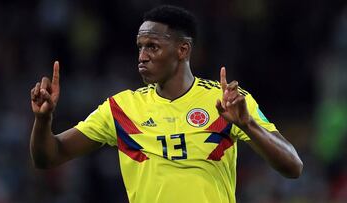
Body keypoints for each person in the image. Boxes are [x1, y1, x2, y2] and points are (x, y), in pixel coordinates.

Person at [30, 5, 303, 203]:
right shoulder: (121, 109)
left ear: (183, 50)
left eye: (153, 46)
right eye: (140, 46)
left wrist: (248, 125)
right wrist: (43, 119)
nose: (143, 56)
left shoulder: (227, 101)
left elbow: (293, 166)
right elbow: (48, 157)